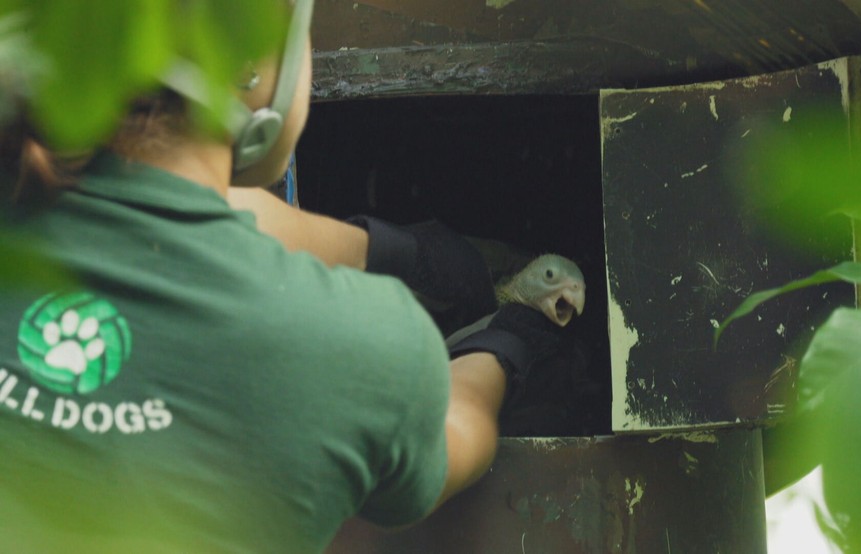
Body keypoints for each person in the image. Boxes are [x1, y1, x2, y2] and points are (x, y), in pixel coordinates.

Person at [0, 1, 562, 551]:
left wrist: (395, 250)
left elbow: (188, 210)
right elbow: (455, 433)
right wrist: (510, 339)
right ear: (253, 62)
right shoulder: (362, 344)